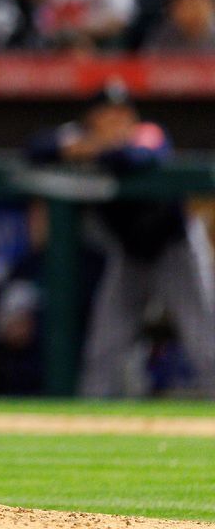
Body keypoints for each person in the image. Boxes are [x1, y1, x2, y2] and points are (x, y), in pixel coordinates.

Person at [26, 81, 215, 397]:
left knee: (203, 337)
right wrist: (86, 144)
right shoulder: (78, 136)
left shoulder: (148, 132)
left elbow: (138, 158)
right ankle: (91, 420)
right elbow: (37, 148)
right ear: (92, 119)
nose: (116, 122)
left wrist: (92, 150)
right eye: (107, 115)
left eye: (122, 115)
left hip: (174, 245)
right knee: (106, 344)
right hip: (129, 252)